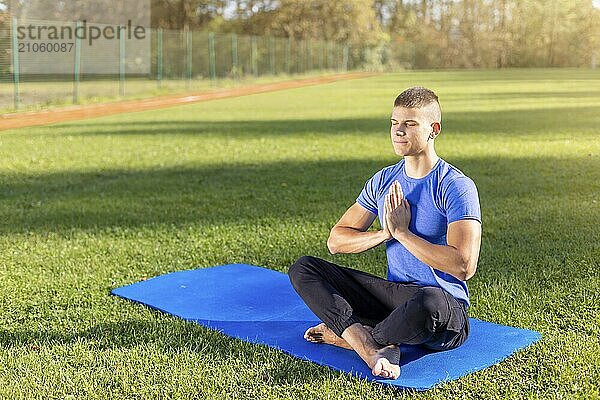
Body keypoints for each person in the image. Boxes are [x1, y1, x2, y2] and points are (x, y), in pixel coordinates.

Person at [288, 86, 482, 380]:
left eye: (410, 124)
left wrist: (404, 234)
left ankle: (347, 337)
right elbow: (336, 240)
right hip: (394, 300)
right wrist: (385, 234)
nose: (398, 131)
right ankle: (371, 344)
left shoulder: (455, 186)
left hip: (443, 308)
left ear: (434, 130)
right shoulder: (383, 180)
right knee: (305, 268)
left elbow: (464, 265)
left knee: (429, 302)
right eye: (394, 123)